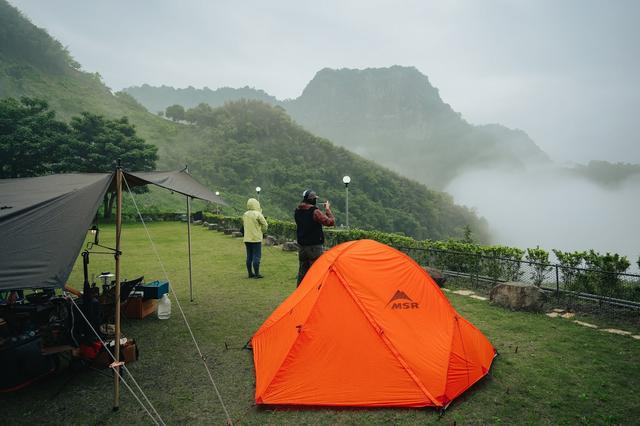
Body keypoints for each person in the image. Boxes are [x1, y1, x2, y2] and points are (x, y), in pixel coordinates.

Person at [294, 190, 335, 286]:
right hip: (314, 247)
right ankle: (315, 294)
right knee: (316, 272)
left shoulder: (297, 210)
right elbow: (330, 222)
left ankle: (299, 294)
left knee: (302, 273)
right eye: (315, 199)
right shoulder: (315, 212)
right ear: (312, 200)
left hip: (302, 246)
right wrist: (328, 210)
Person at [243, 198, 268, 278]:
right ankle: (257, 274)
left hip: (247, 238)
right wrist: (263, 232)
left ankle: (250, 273)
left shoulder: (245, 214)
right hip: (256, 238)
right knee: (256, 256)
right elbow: (265, 225)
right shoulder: (258, 214)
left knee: (249, 256)